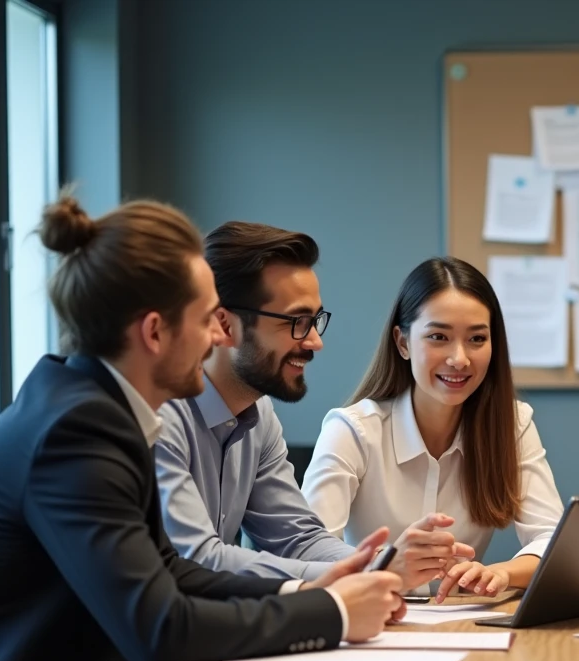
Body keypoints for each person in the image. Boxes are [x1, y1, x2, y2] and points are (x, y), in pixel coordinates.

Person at [0, 195, 402, 661]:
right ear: (154, 332)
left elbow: (172, 571)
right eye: (205, 321)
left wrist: (310, 588)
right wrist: (331, 612)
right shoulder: (77, 431)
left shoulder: (92, 407)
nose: (216, 337)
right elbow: (161, 630)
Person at [156, 222, 471, 589]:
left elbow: (298, 539)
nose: (315, 342)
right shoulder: (162, 414)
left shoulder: (260, 417)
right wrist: (355, 574)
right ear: (225, 326)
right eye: (297, 322)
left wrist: (380, 563)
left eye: (315, 321)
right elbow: (196, 557)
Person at [302, 257, 564, 602]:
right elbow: (305, 555)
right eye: (438, 337)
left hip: (459, 627)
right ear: (403, 342)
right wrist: (388, 564)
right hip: (370, 620)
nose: (459, 358)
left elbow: (553, 540)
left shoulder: (512, 425)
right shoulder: (352, 430)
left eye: (477, 339)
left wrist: (501, 572)